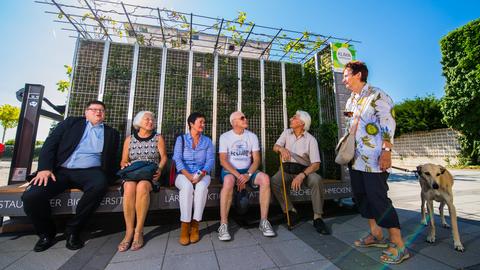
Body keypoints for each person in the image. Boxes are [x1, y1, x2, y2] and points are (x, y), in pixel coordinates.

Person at [21, 100, 120, 252]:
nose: (98, 112)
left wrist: (117, 174)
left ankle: (73, 230)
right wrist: (44, 168)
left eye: (101, 110)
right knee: (32, 196)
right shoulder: (71, 123)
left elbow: (112, 159)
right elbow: (50, 144)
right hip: (61, 170)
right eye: (93, 109)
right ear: (86, 113)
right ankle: (46, 234)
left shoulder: (111, 133)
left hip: (90, 171)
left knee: (100, 185)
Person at [342, 60, 409, 264]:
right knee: (361, 197)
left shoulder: (377, 95)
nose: (344, 79)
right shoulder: (350, 100)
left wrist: (386, 151)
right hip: (355, 160)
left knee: (378, 198)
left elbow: (388, 123)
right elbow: (349, 126)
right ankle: (376, 235)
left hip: (374, 159)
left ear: (358, 75)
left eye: (346, 75)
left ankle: (399, 244)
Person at [217, 111, 275, 241]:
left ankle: (264, 222)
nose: (245, 119)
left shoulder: (252, 136)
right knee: (228, 182)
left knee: (265, 179)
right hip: (231, 171)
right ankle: (223, 225)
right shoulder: (225, 137)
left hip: (249, 170)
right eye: (242, 118)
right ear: (234, 122)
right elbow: (223, 161)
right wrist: (239, 175)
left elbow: (257, 160)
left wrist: (248, 174)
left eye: (245, 117)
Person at [271, 110, 330, 234]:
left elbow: (316, 164)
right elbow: (275, 147)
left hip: (304, 170)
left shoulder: (311, 140)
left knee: (316, 179)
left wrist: (302, 175)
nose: (291, 119)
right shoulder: (286, 133)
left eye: (294, 117)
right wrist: (281, 149)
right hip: (286, 169)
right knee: (275, 181)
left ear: (302, 123)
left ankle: (318, 217)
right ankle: (291, 211)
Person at [117, 111, 167, 252]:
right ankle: (128, 232)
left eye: (152, 119)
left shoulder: (158, 138)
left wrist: (160, 169)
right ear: (139, 122)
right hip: (132, 174)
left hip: (151, 174)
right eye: (147, 119)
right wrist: (124, 165)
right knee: (129, 188)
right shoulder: (129, 139)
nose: (151, 121)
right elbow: (123, 160)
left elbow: (163, 157)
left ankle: (138, 231)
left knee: (142, 187)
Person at [173, 112, 214, 246]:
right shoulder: (181, 139)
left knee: (201, 187)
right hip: (183, 174)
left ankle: (195, 225)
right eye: (200, 122)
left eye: (204, 122)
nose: (203, 124)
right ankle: (185, 226)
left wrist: (201, 174)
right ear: (191, 124)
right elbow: (177, 158)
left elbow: (210, 160)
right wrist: (188, 175)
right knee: (187, 187)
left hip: (202, 174)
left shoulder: (207, 141)